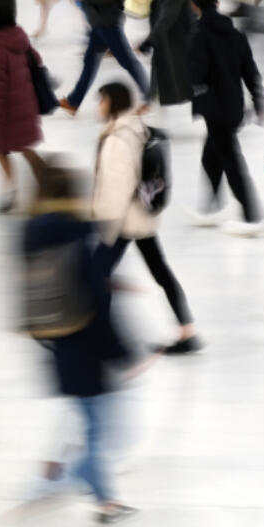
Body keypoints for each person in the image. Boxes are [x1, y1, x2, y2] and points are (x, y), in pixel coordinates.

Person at [20, 163, 138, 527]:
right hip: (89, 348)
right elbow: (97, 305)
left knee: (87, 422)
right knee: (109, 431)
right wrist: (123, 353)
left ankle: (104, 502)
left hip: (57, 343)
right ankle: (56, 482)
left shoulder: (28, 234)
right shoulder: (77, 239)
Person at [92, 81, 198, 354]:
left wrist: (102, 227)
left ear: (112, 102)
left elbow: (117, 188)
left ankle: (102, 339)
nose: (98, 106)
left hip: (124, 222)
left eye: (101, 100)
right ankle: (188, 331)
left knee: (96, 274)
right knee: (161, 272)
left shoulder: (117, 138)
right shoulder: (138, 127)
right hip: (143, 217)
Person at [188, 0, 264, 237]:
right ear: (218, 3)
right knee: (211, 157)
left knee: (231, 162)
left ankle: (252, 214)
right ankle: (210, 209)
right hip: (233, 106)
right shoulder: (236, 35)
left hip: (214, 108)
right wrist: (259, 101)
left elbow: (197, 73)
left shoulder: (199, 36)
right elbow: (250, 72)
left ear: (194, 6)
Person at [58, 0, 150, 115]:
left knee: (127, 60)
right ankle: (74, 102)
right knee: (90, 61)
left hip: (107, 21)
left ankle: (148, 96)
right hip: (100, 21)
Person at [0, 14, 46, 213]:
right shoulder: (20, 39)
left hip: (8, 112)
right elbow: (37, 59)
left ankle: (10, 194)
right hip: (26, 106)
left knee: (1, 149)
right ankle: (46, 184)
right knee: (25, 147)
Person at [138, 0, 194, 119]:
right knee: (160, 67)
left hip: (177, 37)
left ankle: (234, 108)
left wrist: (149, 41)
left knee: (189, 79)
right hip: (170, 36)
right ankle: (149, 102)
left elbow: (168, 15)